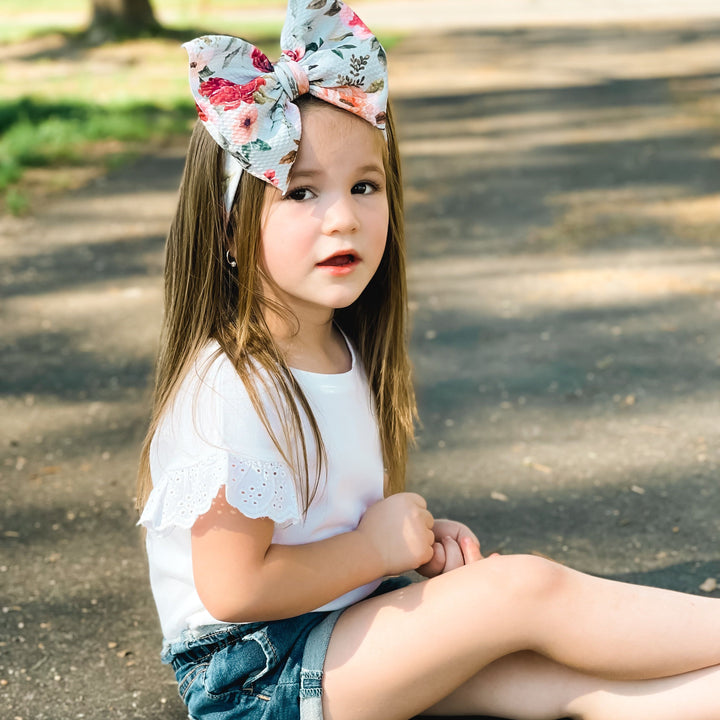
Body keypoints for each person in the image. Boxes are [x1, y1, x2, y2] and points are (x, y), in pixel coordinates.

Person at [136, 1, 720, 718]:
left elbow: (330, 528)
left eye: (364, 186)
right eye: (301, 191)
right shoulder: (232, 388)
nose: (343, 216)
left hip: (335, 635)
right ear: (227, 228)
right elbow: (236, 591)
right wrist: (377, 550)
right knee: (523, 592)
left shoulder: (337, 347)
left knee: (561, 681)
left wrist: (406, 545)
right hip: (256, 679)